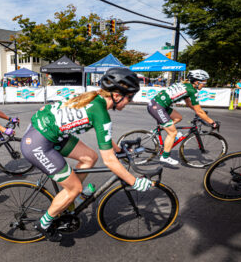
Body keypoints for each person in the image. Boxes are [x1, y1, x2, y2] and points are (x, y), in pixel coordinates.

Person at [21, 68, 152, 242]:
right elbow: (109, 161)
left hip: (49, 134)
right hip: (38, 143)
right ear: (117, 94)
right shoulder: (101, 112)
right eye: (130, 97)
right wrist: (134, 182)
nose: (130, 101)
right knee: (74, 188)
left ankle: (71, 195)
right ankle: (43, 223)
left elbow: (103, 136)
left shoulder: (97, 101)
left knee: (90, 157)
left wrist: (120, 149)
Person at [147, 69, 218, 166]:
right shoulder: (192, 90)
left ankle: (157, 130)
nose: (205, 84)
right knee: (173, 132)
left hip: (158, 104)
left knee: (178, 117)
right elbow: (199, 111)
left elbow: (189, 103)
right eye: (204, 81)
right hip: (158, 107)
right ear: (197, 82)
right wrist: (212, 122)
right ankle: (165, 157)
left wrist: (201, 113)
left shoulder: (186, 86)